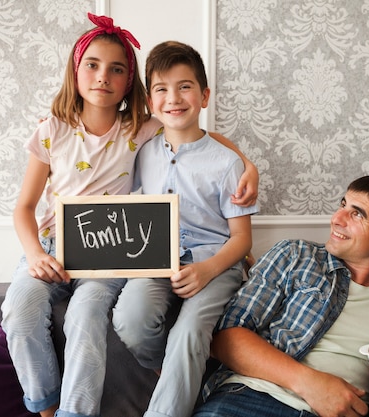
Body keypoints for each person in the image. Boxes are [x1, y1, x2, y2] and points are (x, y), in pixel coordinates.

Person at [1, 15, 257, 417]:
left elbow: (194, 135)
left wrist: (248, 165)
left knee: (86, 317)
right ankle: (46, 406)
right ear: (75, 69)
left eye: (116, 69)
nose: (103, 77)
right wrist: (34, 254)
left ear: (128, 82)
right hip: (51, 248)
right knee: (19, 309)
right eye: (93, 65)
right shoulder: (52, 129)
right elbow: (24, 207)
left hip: (109, 256)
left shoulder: (139, 128)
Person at [111, 41, 259, 417]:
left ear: (204, 95)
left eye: (185, 87)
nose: (173, 98)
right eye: (161, 89)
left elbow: (242, 239)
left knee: (190, 332)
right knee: (131, 317)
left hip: (216, 263)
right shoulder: (143, 152)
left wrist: (208, 269)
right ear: (149, 98)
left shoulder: (227, 164)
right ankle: (174, 374)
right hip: (158, 258)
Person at [192, 175, 369, 417]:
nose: (336, 219)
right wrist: (310, 384)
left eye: (357, 214)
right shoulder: (295, 256)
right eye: (343, 205)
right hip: (252, 400)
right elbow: (225, 338)